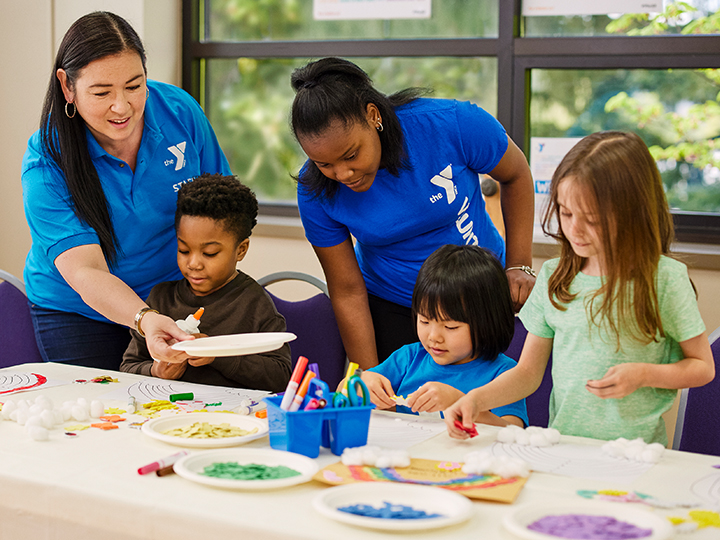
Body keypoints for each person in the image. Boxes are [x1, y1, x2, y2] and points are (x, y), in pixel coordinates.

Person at [445, 131, 715, 445]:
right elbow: (528, 373)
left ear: (632, 213)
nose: (574, 230)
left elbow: (702, 367)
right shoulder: (554, 276)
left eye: (592, 219)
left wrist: (644, 375)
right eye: (566, 213)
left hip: (635, 453)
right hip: (565, 447)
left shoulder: (665, 279)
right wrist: (475, 400)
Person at [290, 57, 536, 370]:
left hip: (480, 294)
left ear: (373, 116)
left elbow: (515, 175)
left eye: (351, 155)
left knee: (484, 404)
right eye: (324, 164)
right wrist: (366, 376)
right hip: (394, 307)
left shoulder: (450, 124)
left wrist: (519, 265)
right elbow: (348, 291)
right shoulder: (315, 191)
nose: (343, 174)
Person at [21, 11, 231, 370]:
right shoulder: (47, 160)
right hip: (77, 312)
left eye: (134, 86)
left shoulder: (179, 113)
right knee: (103, 416)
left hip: (173, 294)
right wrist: (144, 318)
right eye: (102, 92)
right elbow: (86, 271)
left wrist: (217, 294)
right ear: (67, 86)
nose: (122, 107)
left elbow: (222, 207)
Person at [120, 174, 292, 392]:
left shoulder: (254, 303)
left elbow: (281, 377)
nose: (193, 264)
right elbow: (127, 367)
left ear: (241, 250)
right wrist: (156, 372)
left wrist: (218, 354)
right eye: (183, 250)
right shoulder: (161, 299)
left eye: (209, 253)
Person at [355, 244, 527, 427]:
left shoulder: (504, 374)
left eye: (450, 326)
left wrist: (459, 403)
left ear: (488, 321)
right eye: (425, 321)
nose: (434, 337)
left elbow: (513, 431)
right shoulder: (409, 358)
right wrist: (361, 382)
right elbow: (344, 391)